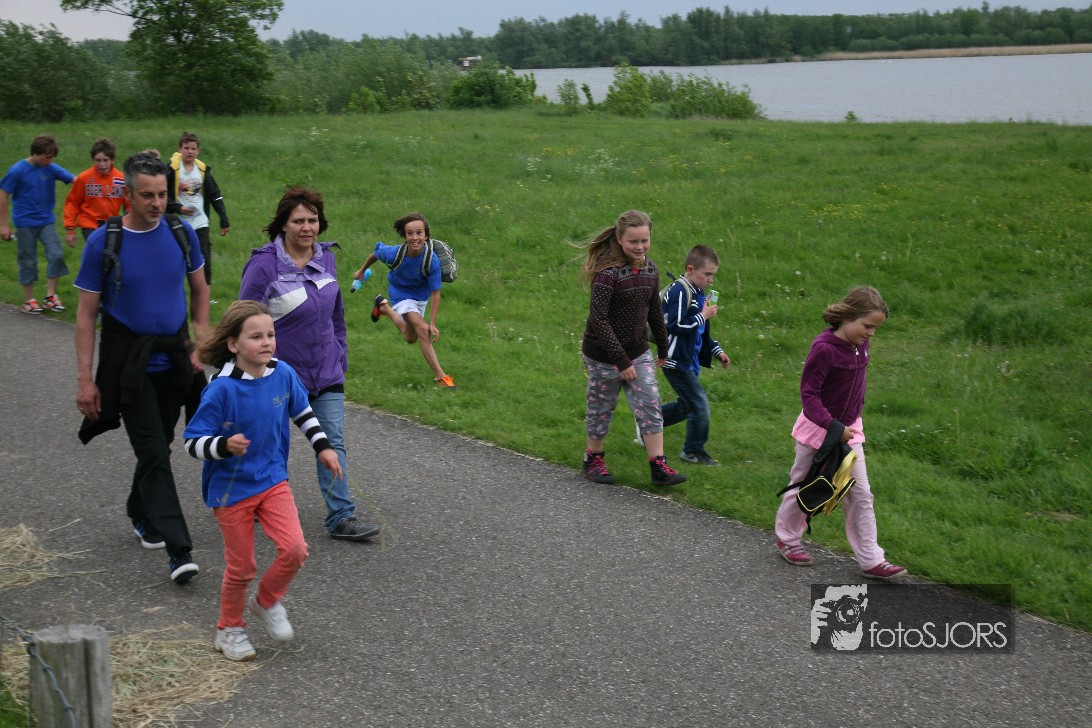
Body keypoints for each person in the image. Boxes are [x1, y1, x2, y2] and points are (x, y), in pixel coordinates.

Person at [74, 152, 210, 585]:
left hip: (175, 358)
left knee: (161, 443)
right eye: (147, 195)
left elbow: (200, 292)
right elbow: (85, 316)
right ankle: (178, 549)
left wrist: (200, 343)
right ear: (127, 195)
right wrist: (85, 380)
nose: (157, 203)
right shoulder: (104, 243)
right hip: (129, 364)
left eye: (162, 194)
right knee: (153, 452)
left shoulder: (181, 233)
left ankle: (138, 509)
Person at [183, 300, 337, 661]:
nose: (266, 342)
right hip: (231, 491)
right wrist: (224, 445)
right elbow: (192, 443)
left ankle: (266, 601)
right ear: (233, 344)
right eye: (256, 337)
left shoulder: (282, 373)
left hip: (272, 480)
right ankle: (229, 629)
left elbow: (302, 411)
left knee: (295, 549)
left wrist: (324, 448)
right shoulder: (220, 389)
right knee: (242, 568)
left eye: (270, 334)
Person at [239, 187, 381, 542]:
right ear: (283, 225)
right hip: (278, 374)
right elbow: (244, 320)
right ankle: (254, 500)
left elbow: (336, 314)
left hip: (326, 370)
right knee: (269, 443)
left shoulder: (326, 258)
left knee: (332, 442)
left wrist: (340, 351)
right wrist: (249, 369)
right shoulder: (264, 265)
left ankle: (341, 516)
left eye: (312, 220)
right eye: (298, 221)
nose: (307, 227)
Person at [774, 285, 907, 580]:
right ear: (847, 317)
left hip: (850, 431)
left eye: (876, 328)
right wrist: (833, 426)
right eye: (867, 326)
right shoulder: (824, 349)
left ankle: (872, 559)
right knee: (805, 485)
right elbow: (809, 395)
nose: (871, 333)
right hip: (818, 431)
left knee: (860, 493)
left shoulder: (861, 344)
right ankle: (788, 539)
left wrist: (850, 420)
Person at [578, 209, 686, 487]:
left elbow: (654, 310)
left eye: (644, 241)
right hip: (603, 356)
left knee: (650, 402)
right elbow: (598, 320)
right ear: (619, 238)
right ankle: (593, 457)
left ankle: (658, 465)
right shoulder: (607, 274)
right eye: (633, 241)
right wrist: (621, 361)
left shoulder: (650, 270)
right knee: (601, 407)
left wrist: (663, 347)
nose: (640, 247)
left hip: (637, 352)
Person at [353, 211, 456, 388]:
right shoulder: (395, 254)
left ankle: (383, 307)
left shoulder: (431, 261)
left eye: (419, 233)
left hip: (420, 299)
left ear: (426, 236)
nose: (414, 238)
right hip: (400, 294)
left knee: (410, 337)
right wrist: (361, 271)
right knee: (423, 330)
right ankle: (441, 377)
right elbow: (376, 253)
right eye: (410, 234)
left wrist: (433, 322)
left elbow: (435, 293)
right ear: (405, 236)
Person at [658, 245, 731, 465]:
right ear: (691, 269)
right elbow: (675, 325)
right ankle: (692, 451)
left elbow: (699, 332)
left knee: (686, 406)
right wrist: (703, 315)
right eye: (707, 274)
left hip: (690, 362)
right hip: (676, 361)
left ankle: (649, 422)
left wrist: (716, 350)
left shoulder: (699, 293)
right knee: (699, 405)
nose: (711, 280)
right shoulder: (680, 291)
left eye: (713, 275)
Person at [0, 134, 75, 314]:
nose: (49, 161)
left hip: (46, 221)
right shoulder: (18, 170)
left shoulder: (51, 168)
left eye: (52, 157)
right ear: (36, 153)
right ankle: (29, 300)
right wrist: (4, 225)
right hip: (24, 223)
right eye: (47, 157)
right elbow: (3, 195)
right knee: (28, 260)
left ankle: (50, 297)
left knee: (56, 254)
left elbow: (76, 180)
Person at [167, 131, 230, 286]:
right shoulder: (171, 170)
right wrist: (179, 208)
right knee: (177, 259)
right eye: (186, 148)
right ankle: (175, 289)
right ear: (180, 149)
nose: (190, 152)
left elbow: (215, 195)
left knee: (204, 260)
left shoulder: (202, 170)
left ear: (198, 150)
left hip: (200, 222)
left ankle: (205, 293)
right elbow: (162, 197)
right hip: (179, 223)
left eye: (193, 149)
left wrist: (224, 219)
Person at [62, 137, 125, 243]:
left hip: (111, 224)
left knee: (110, 251)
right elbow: (73, 202)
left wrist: (129, 222)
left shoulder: (121, 179)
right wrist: (70, 228)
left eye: (105, 160)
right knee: (97, 248)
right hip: (90, 224)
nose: (102, 164)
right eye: (98, 160)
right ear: (93, 160)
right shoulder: (84, 178)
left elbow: (129, 204)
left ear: (112, 160)